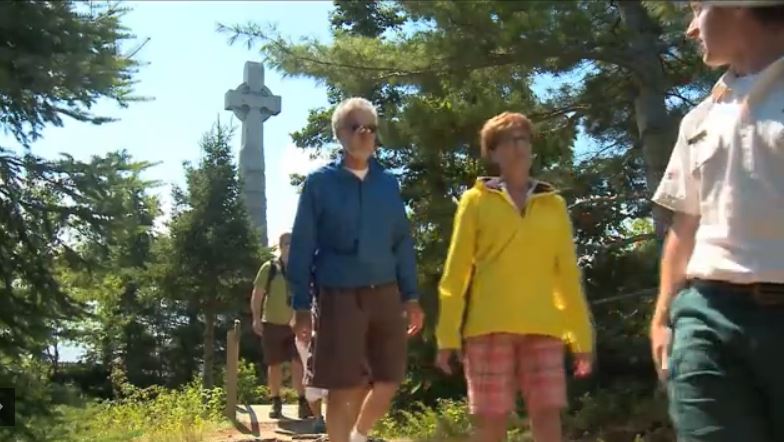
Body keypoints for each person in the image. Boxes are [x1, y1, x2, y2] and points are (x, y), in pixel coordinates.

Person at [649, 2, 784, 441]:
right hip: (706, 319)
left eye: (697, 8)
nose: (690, 29)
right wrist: (663, 318)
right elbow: (684, 227)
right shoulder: (699, 119)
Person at [435, 112, 594, 442]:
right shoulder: (475, 201)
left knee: (547, 414)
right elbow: (456, 273)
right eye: (507, 141)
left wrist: (580, 339)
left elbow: (566, 277)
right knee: (489, 418)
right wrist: (447, 336)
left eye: (523, 139)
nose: (518, 146)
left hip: (544, 326)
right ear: (493, 153)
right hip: (489, 325)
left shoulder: (554, 205)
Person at [287, 97, 425, 442]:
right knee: (343, 386)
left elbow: (402, 242)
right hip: (339, 294)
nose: (365, 134)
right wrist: (301, 306)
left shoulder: (388, 184)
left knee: (389, 378)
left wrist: (411, 296)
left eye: (371, 128)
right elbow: (303, 246)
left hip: (386, 293)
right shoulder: (320, 183)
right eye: (355, 127)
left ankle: (359, 435)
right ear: (339, 135)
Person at [251, 232, 310, 420]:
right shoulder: (269, 269)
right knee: (274, 364)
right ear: (280, 246)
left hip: (295, 326)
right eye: (286, 243)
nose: (290, 246)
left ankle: (303, 402)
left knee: (298, 364)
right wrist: (256, 318)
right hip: (273, 324)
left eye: (293, 243)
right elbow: (258, 294)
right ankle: (276, 402)